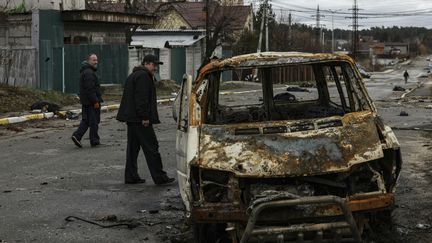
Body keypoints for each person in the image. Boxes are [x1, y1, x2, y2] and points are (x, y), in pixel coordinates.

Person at [116, 54, 175, 185]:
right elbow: (141, 99)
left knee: (132, 149)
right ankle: (160, 177)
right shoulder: (143, 76)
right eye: (154, 65)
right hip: (140, 120)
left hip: (132, 119)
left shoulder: (134, 75)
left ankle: (131, 176)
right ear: (146, 63)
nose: (155, 68)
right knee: (152, 147)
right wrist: (145, 117)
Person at [71, 54, 103, 148]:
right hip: (90, 102)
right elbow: (90, 89)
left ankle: (77, 136)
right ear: (88, 61)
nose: (96, 62)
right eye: (93, 60)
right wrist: (95, 101)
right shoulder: (89, 73)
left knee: (86, 120)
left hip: (86, 101)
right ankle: (94, 140)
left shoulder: (87, 71)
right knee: (94, 121)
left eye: (96, 60)